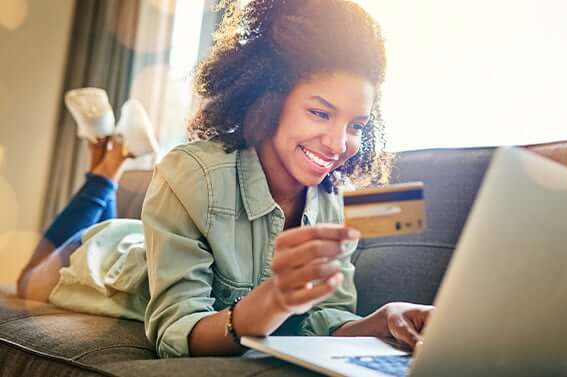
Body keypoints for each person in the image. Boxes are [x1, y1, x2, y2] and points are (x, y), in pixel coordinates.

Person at [17, 0, 434, 359]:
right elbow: (175, 332)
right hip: (102, 261)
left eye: (356, 125)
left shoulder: (331, 203)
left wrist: (381, 320)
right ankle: (107, 164)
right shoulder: (191, 172)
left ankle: (111, 149)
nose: (338, 143)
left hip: (149, 238)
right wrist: (274, 299)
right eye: (320, 113)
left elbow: (323, 319)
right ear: (269, 99)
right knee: (28, 278)